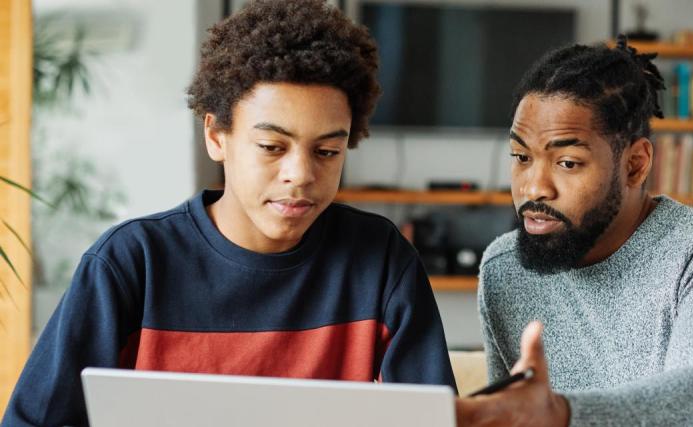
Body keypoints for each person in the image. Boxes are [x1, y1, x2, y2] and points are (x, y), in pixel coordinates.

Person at [3, 1, 456, 425]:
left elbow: (431, 418)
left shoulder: (381, 261)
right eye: (271, 147)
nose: (299, 174)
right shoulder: (130, 264)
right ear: (217, 136)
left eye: (327, 150)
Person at [456, 37, 693, 426]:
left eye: (567, 162)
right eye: (521, 157)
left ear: (635, 164)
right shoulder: (506, 269)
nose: (533, 188)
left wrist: (563, 415)